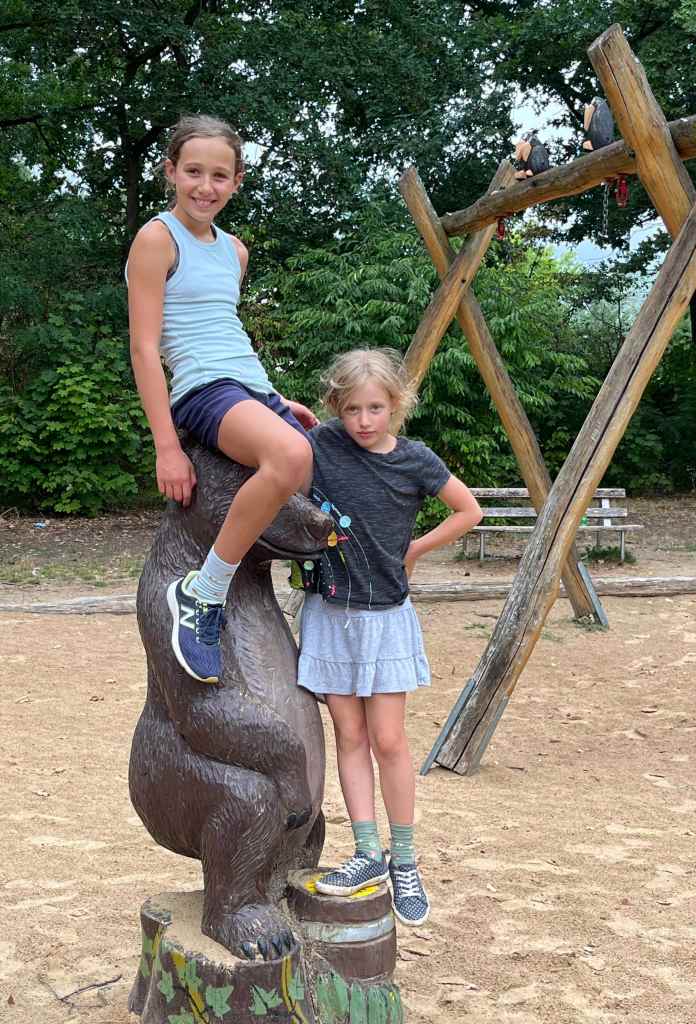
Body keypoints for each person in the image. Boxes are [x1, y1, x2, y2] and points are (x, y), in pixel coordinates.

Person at [127, 114, 316, 685]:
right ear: (170, 172)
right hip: (201, 390)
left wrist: (275, 399)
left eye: (219, 175)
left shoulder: (235, 250)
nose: (205, 186)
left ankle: (316, 611)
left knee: (334, 459)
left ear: (236, 181)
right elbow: (143, 347)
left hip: (247, 384)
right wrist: (167, 446)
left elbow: (224, 329)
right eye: (193, 172)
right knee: (290, 457)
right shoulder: (158, 238)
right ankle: (202, 594)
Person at [297, 348, 482, 926]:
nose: (364, 420)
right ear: (336, 407)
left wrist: (415, 550)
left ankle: (404, 859)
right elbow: (278, 434)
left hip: (385, 617)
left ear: (397, 405)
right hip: (328, 614)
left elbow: (467, 510)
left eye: (376, 407)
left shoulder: (415, 461)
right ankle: (366, 854)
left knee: (389, 740)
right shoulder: (322, 445)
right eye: (351, 408)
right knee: (348, 736)